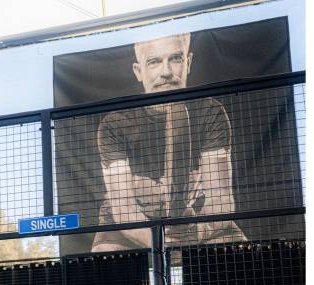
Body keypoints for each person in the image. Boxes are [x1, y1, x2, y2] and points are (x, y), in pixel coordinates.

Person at [91, 32, 246, 252]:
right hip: (131, 223)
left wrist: (199, 231)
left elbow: (220, 197)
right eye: (154, 62)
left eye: (175, 59)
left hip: (196, 220)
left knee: (234, 252)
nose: (166, 72)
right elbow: (123, 207)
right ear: (139, 71)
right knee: (104, 257)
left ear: (188, 62)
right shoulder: (115, 122)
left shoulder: (210, 111)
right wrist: (160, 241)